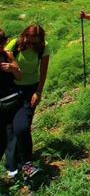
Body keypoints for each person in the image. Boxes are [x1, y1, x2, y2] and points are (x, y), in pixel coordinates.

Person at [4, 25, 50, 180]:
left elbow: (43, 72)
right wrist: (12, 64)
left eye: (34, 43)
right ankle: (13, 166)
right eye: (28, 41)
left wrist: (38, 92)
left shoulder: (43, 48)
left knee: (22, 127)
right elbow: (5, 53)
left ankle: (26, 163)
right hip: (11, 90)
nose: (30, 45)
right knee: (11, 128)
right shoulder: (15, 44)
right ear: (24, 36)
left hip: (30, 90)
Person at [0, 29, 23, 180]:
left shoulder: (7, 55)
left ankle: (12, 168)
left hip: (9, 99)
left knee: (11, 133)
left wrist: (13, 68)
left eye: (2, 42)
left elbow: (19, 76)